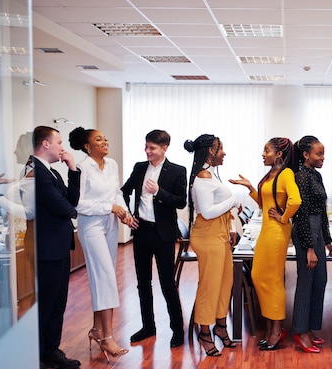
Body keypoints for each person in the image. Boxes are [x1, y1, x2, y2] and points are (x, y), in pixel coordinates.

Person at [68, 127, 135, 361]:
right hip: (91, 226)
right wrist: (109, 208)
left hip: (110, 225)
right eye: (99, 139)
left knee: (105, 277)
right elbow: (78, 204)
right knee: (104, 277)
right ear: (87, 146)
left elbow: (116, 193)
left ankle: (96, 330)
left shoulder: (113, 165)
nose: (105, 141)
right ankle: (107, 337)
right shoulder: (81, 168)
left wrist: (122, 211)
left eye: (105, 137)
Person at [229, 137, 301, 350]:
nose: (263, 154)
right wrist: (251, 187)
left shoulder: (286, 173)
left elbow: (295, 200)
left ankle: (276, 331)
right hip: (267, 231)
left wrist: (284, 217)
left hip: (277, 232)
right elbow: (266, 202)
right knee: (260, 276)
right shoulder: (272, 174)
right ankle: (272, 328)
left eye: (266, 150)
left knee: (272, 279)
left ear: (279, 153)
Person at [122, 129, 187, 348]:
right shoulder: (140, 167)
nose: (147, 151)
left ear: (164, 148)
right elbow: (124, 191)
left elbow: (180, 202)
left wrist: (159, 192)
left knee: (168, 284)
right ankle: (148, 326)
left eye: (152, 147)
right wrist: (127, 215)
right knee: (142, 283)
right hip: (141, 232)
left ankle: (177, 330)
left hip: (164, 235)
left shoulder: (178, 171)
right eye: (146, 146)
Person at [32, 126, 82, 369]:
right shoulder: (35, 172)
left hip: (59, 247)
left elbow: (72, 198)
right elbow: (64, 206)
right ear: (45, 144)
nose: (63, 147)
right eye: (59, 142)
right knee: (46, 305)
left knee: (58, 303)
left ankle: (52, 351)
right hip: (47, 249)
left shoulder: (51, 171)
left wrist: (72, 168)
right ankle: (36, 360)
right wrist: (72, 211)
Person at [184, 134, 241, 357]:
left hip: (219, 234)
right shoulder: (203, 176)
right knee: (209, 285)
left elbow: (217, 208)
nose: (224, 152)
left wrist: (230, 228)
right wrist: (234, 200)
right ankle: (204, 331)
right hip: (207, 236)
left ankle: (220, 325)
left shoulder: (212, 175)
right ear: (210, 151)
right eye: (221, 148)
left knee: (225, 282)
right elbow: (207, 212)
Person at [290, 136, 332, 354]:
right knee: (307, 280)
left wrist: (327, 241)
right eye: (319, 154)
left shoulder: (316, 175)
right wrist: (309, 247)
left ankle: (309, 328)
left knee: (320, 280)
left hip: (317, 229)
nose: (323, 158)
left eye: (323, 154)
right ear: (306, 155)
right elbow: (301, 215)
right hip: (305, 231)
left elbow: (322, 211)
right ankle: (300, 332)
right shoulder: (301, 177)